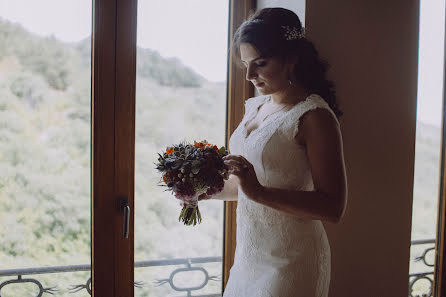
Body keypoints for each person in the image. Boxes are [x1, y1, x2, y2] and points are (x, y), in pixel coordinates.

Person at [199, 7, 347, 297]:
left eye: (261, 63)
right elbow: (247, 187)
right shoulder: (256, 106)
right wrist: (205, 190)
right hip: (248, 258)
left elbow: (333, 207)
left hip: (291, 263)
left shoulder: (314, 116)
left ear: (291, 59)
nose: (250, 76)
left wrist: (259, 193)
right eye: (246, 66)